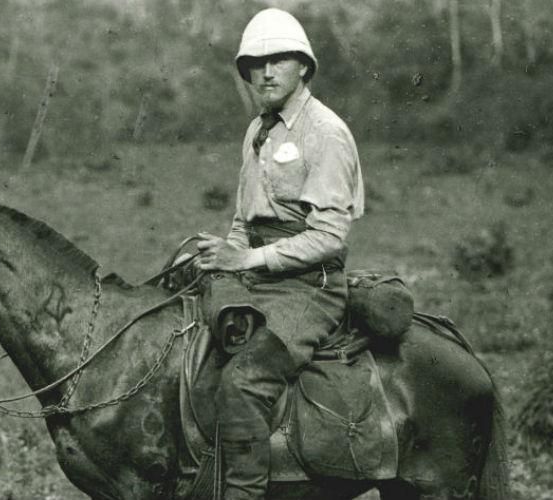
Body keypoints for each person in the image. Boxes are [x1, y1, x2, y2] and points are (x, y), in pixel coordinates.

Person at [193, 7, 365, 499]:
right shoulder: (257, 131)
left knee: (243, 381)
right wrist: (226, 252)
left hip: (312, 287)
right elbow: (244, 220)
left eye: (279, 61)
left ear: (304, 67)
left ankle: (244, 493)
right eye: (255, 63)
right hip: (260, 277)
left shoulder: (326, 133)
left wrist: (245, 261)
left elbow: (331, 236)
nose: (265, 73)